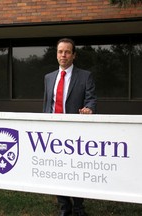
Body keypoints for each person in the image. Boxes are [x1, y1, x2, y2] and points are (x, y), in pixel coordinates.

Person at [43, 38, 97, 216]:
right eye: (60, 52)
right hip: (54, 132)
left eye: (67, 52)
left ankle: (79, 206)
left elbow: (90, 98)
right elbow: (47, 105)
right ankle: (64, 205)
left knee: (76, 168)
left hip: (76, 132)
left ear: (74, 55)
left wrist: (89, 108)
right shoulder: (49, 78)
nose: (63, 55)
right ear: (56, 54)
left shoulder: (85, 76)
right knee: (58, 169)